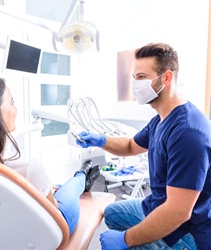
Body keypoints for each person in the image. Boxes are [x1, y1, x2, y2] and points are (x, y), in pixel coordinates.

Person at [75, 43, 211, 250]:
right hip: (158, 204)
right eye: (134, 78)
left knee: (126, 242)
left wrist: (125, 240)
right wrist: (101, 140)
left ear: (166, 78)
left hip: (187, 230)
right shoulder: (161, 119)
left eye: (141, 77)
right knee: (111, 213)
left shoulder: (188, 133)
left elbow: (178, 212)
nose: (135, 85)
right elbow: (130, 145)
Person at [0, 74, 100, 236]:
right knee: (72, 188)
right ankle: (82, 176)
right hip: (48, 233)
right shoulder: (28, 169)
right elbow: (53, 211)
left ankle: (64, 184)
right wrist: (48, 194)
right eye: (12, 102)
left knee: (57, 187)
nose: (16, 108)